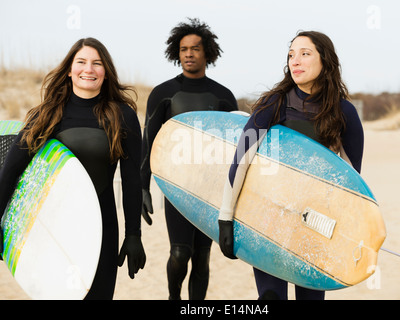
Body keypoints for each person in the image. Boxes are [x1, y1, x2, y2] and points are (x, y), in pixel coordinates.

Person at [218, 31, 364, 300]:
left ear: (325, 61)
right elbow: (242, 159)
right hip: (268, 218)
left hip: (314, 226)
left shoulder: (344, 113)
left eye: (305, 54)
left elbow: (351, 183)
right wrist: (225, 217)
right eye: (291, 55)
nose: (295, 61)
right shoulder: (273, 104)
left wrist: (344, 230)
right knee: (271, 297)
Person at [0, 37, 146, 300]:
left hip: (101, 227)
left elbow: (132, 179)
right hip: (54, 227)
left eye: (97, 63)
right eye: (81, 62)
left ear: (106, 71)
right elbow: (10, 171)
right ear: (69, 69)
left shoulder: (122, 115)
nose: (88, 69)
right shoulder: (47, 114)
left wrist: (133, 234)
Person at [140, 18, 238, 300]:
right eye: (184, 49)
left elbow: (235, 153)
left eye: (195, 48)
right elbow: (150, 142)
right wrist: (143, 186)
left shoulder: (222, 96)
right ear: (176, 52)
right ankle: (174, 297)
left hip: (210, 190)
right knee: (180, 252)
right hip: (176, 186)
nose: (189, 54)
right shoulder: (164, 94)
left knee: (202, 257)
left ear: (207, 52)